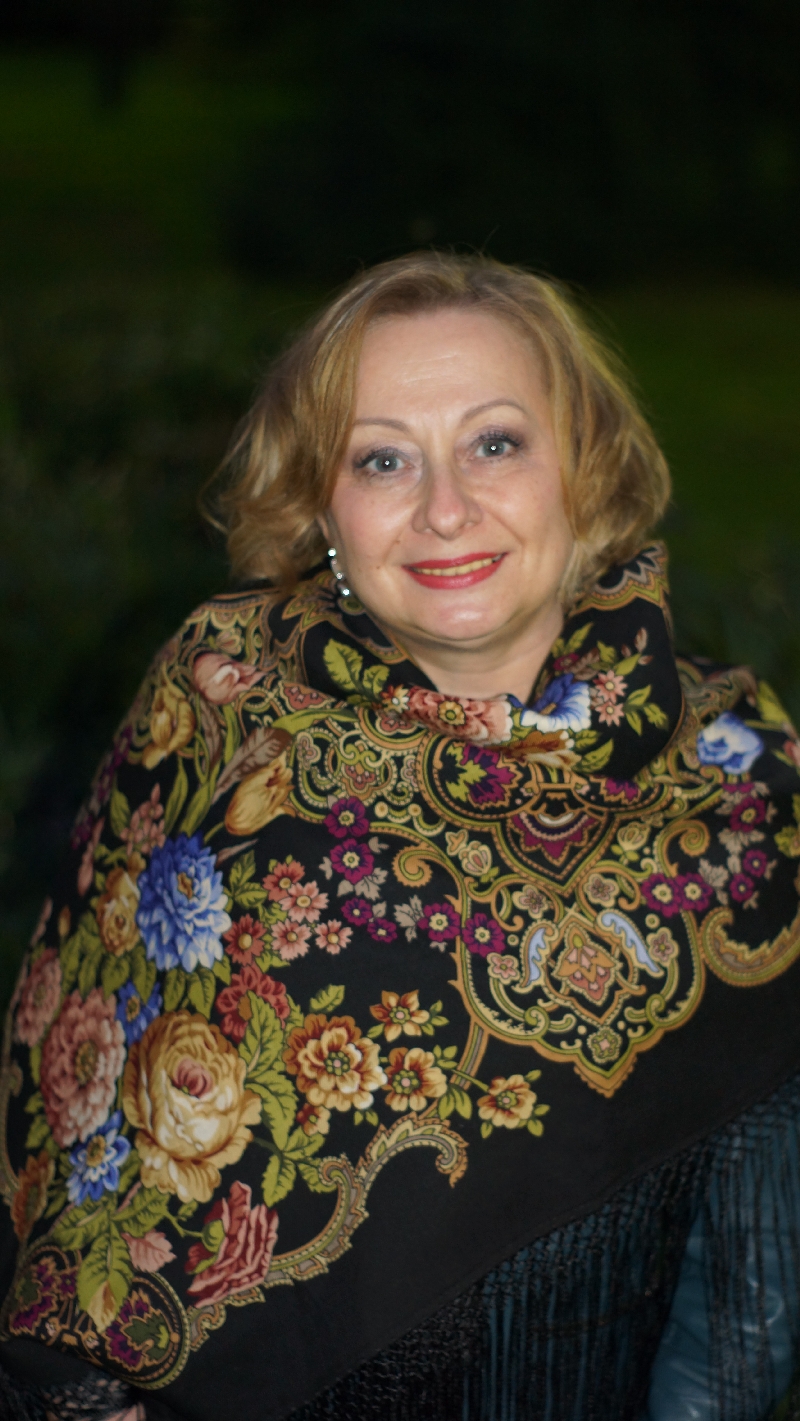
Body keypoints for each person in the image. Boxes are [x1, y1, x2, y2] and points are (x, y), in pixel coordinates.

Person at [1, 251, 799, 1421]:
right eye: (381, 458)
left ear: (585, 469)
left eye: (494, 442)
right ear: (319, 505)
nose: (443, 507)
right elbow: (78, 1124)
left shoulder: (737, 771)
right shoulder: (221, 712)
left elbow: (749, 1283)